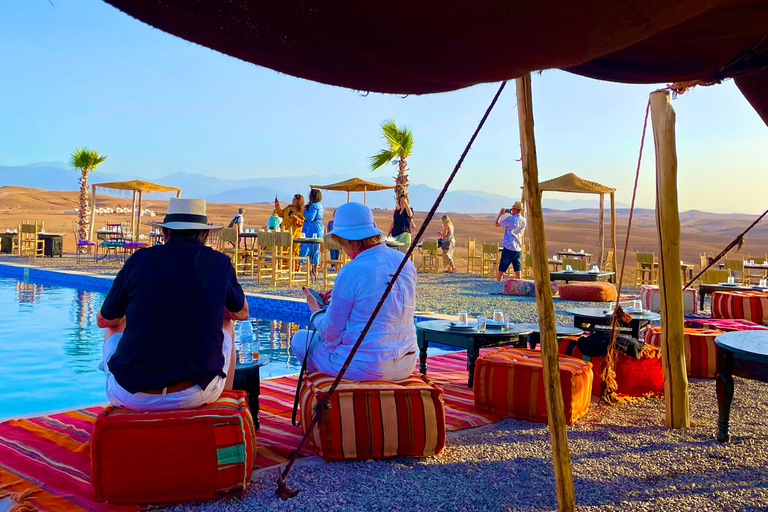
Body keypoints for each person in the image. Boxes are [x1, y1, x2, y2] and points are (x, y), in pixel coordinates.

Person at [96, 198, 249, 411]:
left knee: (114, 325)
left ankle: (126, 417)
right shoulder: (219, 262)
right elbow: (241, 313)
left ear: (165, 233)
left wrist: (125, 316)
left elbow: (103, 320)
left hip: (130, 394)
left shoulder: (139, 260)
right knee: (227, 323)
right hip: (194, 394)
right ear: (205, 234)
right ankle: (225, 409)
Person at [291, 202, 417, 381]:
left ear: (346, 239)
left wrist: (316, 310)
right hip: (407, 363)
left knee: (300, 340)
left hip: (365, 366)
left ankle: (327, 393)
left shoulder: (351, 270)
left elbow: (330, 332)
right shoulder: (403, 260)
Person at [495, 201, 527, 281]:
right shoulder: (524, 220)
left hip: (509, 246)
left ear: (513, 209)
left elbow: (497, 224)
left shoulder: (510, 219)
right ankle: (519, 282)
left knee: (502, 266)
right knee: (517, 267)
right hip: (518, 246)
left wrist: (500, 214)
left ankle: (498, 281)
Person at [300, 188, 324, 277]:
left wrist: (305, 211)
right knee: (316, 248)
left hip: (312, 228)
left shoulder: (314, 206)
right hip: (318, 227)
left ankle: (310, 269)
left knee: (309, 247)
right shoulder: (320, 205)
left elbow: (310, 217)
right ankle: (314, 268)